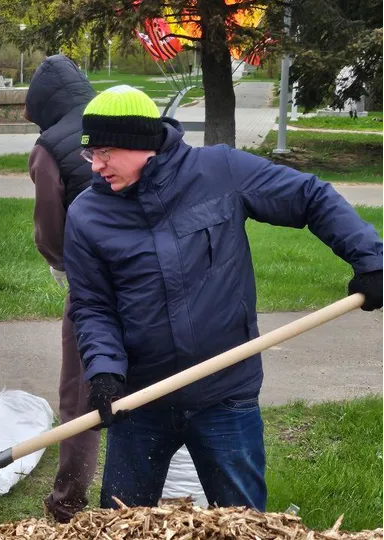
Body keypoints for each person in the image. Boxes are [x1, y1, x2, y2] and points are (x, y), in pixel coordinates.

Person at [62, 85, 384, 512]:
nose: (96, 165)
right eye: (90, 154)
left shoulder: (220, 172)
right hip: (140, 400)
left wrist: (371, 260)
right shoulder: (87, 215)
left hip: (225, 394)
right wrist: (104, 371)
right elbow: (92, 305)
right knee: (122, 521)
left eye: (104, 152)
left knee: (244, 521)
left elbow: (310, 197)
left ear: (142, 144)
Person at [23, 54, 98, 522]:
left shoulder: (49, 145)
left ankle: (68, 501)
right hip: (162, 279)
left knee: (83, 395)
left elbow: (51, 226)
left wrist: (60, 263)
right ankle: (150, 496)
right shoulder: (127, 117)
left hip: (92, 283)